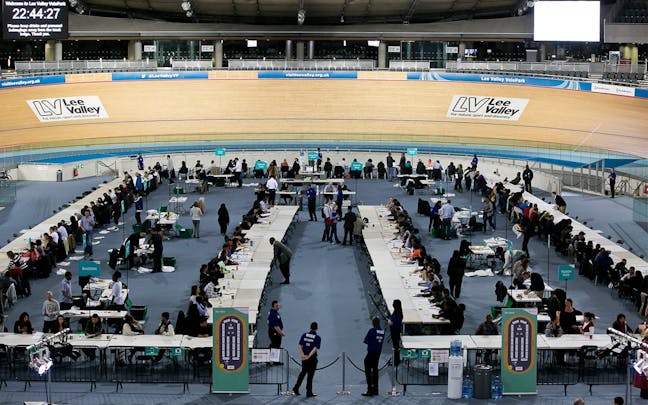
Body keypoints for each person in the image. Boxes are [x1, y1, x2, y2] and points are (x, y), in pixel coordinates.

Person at [292, 321, 321, 397]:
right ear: (317, 328)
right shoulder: (317, 338)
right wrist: (309, 356)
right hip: (312, 359)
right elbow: (314, 349)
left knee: (302, 373)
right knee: (310, 376)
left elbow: (300, 345)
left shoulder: (304, 335)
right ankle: (309, 392)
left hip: (304, 359)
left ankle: (296, 388)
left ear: (310, 327)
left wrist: (303, 355)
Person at [362, 316, 384, 397]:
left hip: (371, 352)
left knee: (368, 370)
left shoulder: (372, 330)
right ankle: (376, 389)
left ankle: (369, 389)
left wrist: (371, 343)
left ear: (374, 322)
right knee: (375, 370)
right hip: (378, 352)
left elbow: (365, 341)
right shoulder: (382, 331)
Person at [388, 300, 403, 367]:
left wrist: (389, 321)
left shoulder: (398, 313)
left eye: (393, 303)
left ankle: (396, 362)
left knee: (396, 346)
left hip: (395, 331)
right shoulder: (396, 311)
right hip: (394, 330)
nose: (392, 304)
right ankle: (396, 360)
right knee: (395, 346)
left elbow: (392, 323)